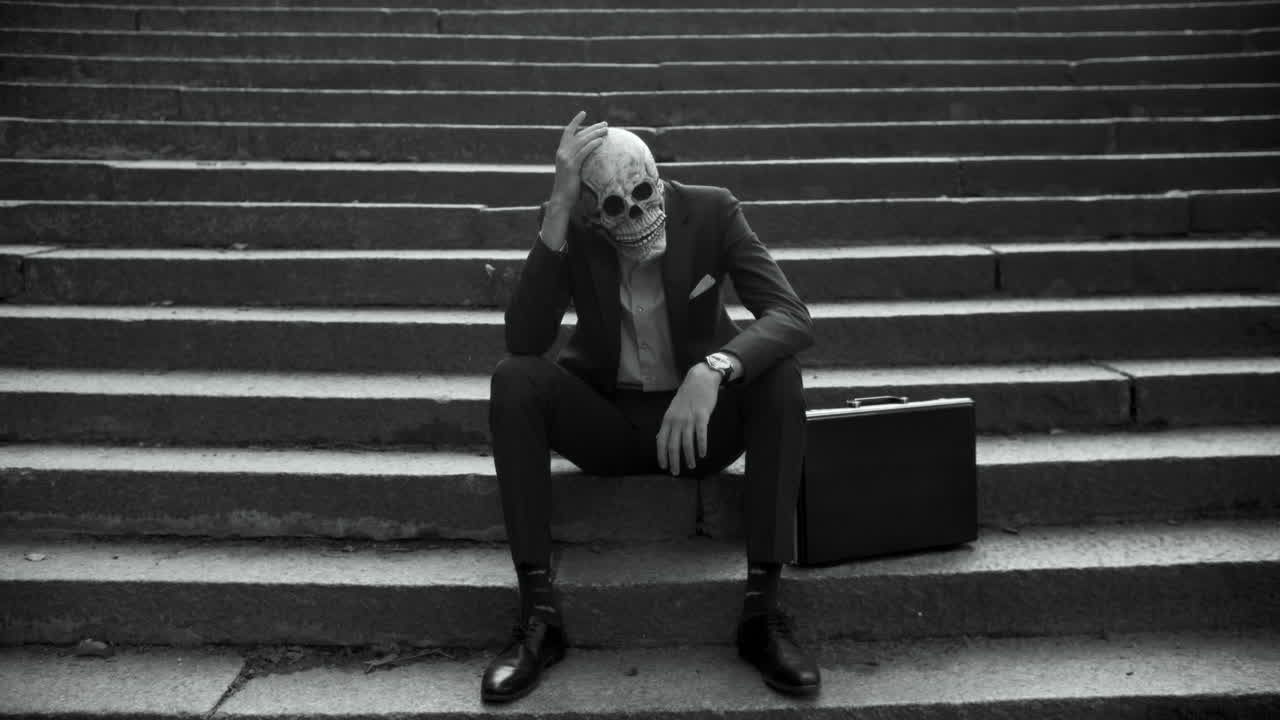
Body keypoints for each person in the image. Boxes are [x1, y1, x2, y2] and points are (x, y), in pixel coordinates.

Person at [481, 111, 819, 703]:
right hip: (607, 421)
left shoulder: (712, 211)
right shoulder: (574, 224)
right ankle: (539, 617)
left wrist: (714, 368)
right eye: (615, 206)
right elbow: (525, 341)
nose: (636, 212)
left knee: (779, 378)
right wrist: (557, 212)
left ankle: (762, 614)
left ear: (659, 182)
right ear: (592, 211)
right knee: (514, 380)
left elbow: (789, 315)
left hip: (701, 428)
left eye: (644, 193)